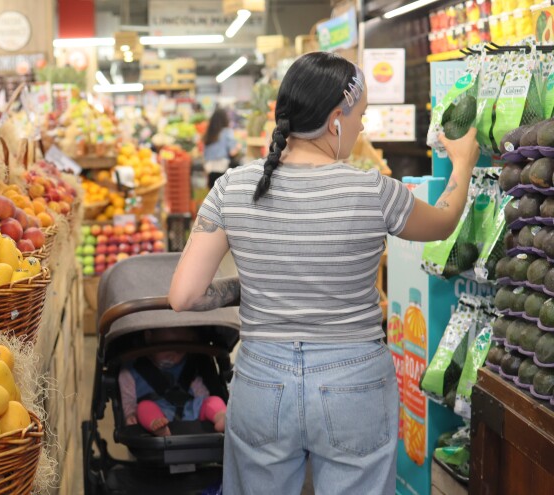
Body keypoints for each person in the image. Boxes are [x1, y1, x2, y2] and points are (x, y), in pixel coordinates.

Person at [168, 51, 479, 494]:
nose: (362, 127)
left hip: (262, 381)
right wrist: (463, 162)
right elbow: (444, 221)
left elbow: (184, 296)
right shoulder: (373, 190)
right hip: (355, 381)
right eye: (361, 116)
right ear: (336, 119)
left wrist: (251, 287)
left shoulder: (233, 187)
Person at [118, 328, 228, 436]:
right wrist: (130, 414)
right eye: (164, 348)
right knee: (143, 407)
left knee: (213, 400)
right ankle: (157, 427)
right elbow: (128, 399)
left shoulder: (190, 365)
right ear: (149, 337)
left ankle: (221, 416)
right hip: (157, 410)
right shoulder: (130, 370)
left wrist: (206, 406)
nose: (172, 356)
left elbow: (200, 392)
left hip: (191, 408)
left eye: (179, 351)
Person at [203, 107, 241, 189]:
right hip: (223, 168)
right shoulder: (227, 132)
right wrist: (238, 147)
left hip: (209, 169)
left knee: (213, 196)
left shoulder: (209, 134)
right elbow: (232, 152)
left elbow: (204, 154)